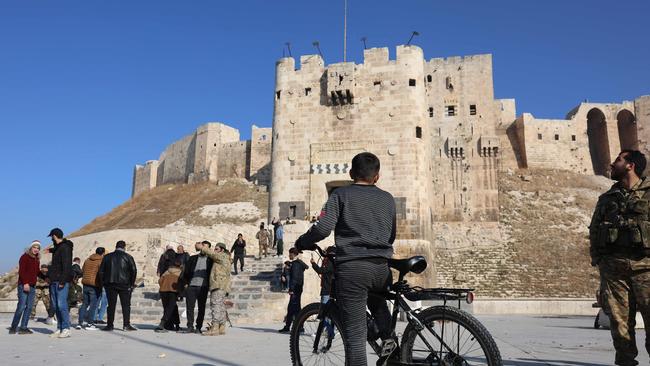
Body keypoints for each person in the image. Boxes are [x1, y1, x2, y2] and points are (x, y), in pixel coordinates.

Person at [294, 152, 397, 365]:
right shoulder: (388, 198)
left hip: (354, 269)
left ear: (351, 173)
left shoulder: (341, 195)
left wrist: (303, 241)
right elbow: (391, 235)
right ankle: (391, 345)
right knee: (379, 307)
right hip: (382, 267)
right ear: (377, 176)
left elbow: (322, 228)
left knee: (355, 338)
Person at [590, 149, 650, 366]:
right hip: (614, 272)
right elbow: (595, 229)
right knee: (620, 325)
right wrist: (599, 261)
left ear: (630, 165)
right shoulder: (607, 198)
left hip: (646, 269)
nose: (612, 164)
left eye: (618, 160)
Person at [98, 240, 138, 331]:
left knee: (111, 305)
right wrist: (131, 284)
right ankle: (126, 325)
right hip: (124, 284)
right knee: (126, 305)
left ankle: (110, 325)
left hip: (110, 284)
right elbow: (134, 270)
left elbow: (101, 272)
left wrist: (103, 283)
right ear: (124, 247)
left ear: (115, 246)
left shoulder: (107, 257)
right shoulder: (128, 257)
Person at [198, 242, 232, 336]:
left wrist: (203, 248)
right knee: (221, 307)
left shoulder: (223, 256)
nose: (214, 251)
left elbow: (213, 254)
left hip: (218, 284)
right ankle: (221, 327)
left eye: (216, 249)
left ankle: (215, 328)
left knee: (216, 306)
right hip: (222, 285)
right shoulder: (225, 258)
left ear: (222, 250)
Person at [179, 241, 213, 334]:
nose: (203, 249)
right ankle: (190, 326)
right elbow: (185, 271)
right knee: (190, 307)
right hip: (191, 286)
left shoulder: (211, 260)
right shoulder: (193, 258)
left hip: (203, 287)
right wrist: (186, 283)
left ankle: (198, 327)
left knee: (201, 308)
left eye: (205, 247)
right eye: (202, 246)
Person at [46, 228, 74, 339]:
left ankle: (66, 328)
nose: (51, 239)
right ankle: (60, 328)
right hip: (54, 280)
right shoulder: (58, 248)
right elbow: (57, 250)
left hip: (61, 281)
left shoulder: (65, 248)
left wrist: (62, 281)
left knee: (61, 305)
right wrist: (50, 251)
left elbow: (66, 265)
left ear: (55, 236)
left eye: (52, 236)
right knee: (56, 306)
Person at [10, 241, 40, 334]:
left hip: (32, 286)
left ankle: (23, 327)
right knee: (21, 306)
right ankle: (13, 327)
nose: (36, 249)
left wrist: (45, 277)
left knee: (30, 307)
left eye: (38, 248)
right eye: (34, 247)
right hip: (23, 285)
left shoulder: (36, 259)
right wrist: (25, 283)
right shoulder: (24, 257)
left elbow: (37, 272)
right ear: (30, 248)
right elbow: (22, 271)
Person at [311, 246, 336, 346]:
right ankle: (327, 331)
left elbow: (321, 271)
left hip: (327, 290)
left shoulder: (330, 262)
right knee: (326, 313)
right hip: (327, 289)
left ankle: (329, 332)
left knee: (324, 312)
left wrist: (313, 264)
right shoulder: (329, 261)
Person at [278, 248, 308, 333]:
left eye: (289, 254)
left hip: (295, 289)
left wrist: (291, 289)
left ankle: (300, 328)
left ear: (292, 254)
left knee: (296, 309)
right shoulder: (298, 263)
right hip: (298, 288)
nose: (288, 255)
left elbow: (294, 278)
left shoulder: (295, 264)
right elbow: (306, 267)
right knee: (291, 308)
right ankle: (288, 326)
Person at [77, 247, 105, 330]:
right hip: (95, 285)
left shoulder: (87, 260)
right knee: (93, 305)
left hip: (85, 284)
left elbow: (82, 271)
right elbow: (101, 274)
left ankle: (79, 323)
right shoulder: (101, 261)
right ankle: (90, 323)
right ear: (102, 253)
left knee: (85, 304)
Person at [156, 258, 182, 333]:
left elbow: (160, 281)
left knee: (168, 307)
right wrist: (180, 293)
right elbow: (181, 283)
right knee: (171, 308)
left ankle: (170, 325)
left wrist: (163, 286)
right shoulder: (180, 272)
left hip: (163, 291)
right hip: (173, 291)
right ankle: (162, 324)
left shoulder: (166, 272)